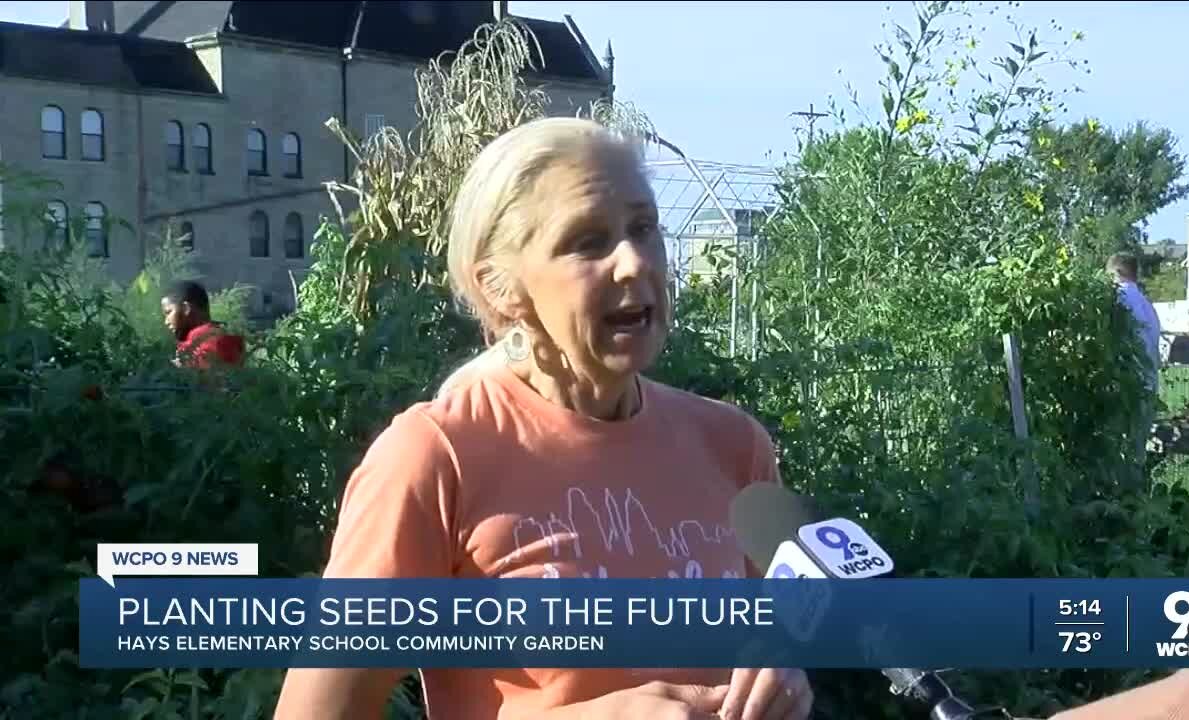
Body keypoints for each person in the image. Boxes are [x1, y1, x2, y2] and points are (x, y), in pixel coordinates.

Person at [274, 118, 812, 720]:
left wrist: (783, 673)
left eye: (644, 228)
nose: (634, 262)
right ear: (502, 288)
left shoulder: (734, 446)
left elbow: (776, 638)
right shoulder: (434, 458)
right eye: (587, 241)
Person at [1045, 96, 1189, 720]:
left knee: (1126, 452)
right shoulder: (1146, 302)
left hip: (1129, 390)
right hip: (1145, 386)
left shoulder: (1122, 303)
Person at [1107, 252, 1161, 480]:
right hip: (1148, 385)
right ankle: (1134, 507)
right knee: (1136, 456)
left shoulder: (1118, 297)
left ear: (1116, 273)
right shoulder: (1148, 306)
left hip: (1125, 387)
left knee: (1114, 455)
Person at [160, 280, 246, 369]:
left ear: (186, 308)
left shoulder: (202, 343)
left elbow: (206, 379)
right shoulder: (225, 335)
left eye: (168, 312)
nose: (166, 322)